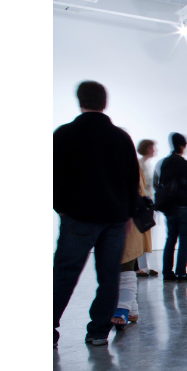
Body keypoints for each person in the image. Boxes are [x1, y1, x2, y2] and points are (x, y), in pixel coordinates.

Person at [53, 81, 140, 349]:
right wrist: (128, 214)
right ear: (105, 102)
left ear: (80, 101)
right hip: (114, 219)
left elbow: (53, 176)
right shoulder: (120, 137)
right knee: (109, 276)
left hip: (78, 217)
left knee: (65, 275)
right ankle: (99, 331)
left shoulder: (65, 134)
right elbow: (131, 180)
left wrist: (61, 208)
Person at [114, 158, 153, 328]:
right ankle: (132, 310)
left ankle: (123, 307)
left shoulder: (128, 161)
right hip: (123, 217)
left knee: (125, 264)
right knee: (121, 264)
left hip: (129, 218)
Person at [156, 132, 187, 282]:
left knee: (170, 239)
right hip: (184, 206)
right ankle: (181, 273)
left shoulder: (165, 162)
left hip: (169, 207)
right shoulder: (184, 163)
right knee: (184, 241)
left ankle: (167, 272)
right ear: (181, 145)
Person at [135, 139, 159, 276]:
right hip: (143, 205)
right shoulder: (139, 164)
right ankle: (141, 266)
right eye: (152, 147)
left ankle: (144, 266)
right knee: (142, 235)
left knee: (147, 236)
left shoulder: (146, 164)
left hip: (148, 204)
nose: (154, 150)